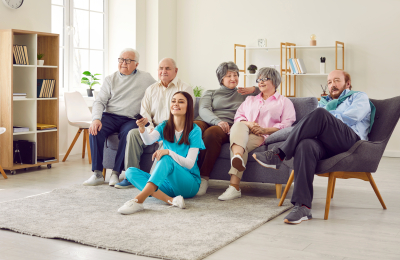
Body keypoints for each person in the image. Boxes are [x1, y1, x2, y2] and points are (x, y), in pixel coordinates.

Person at [253, 70, 375, 224]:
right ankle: (303, 206)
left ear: (348, 83)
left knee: (320, 114)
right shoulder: (324, 102)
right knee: (306, 145)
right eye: (329, 82)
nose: (332, 85)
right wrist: (324, 119)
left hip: (351, 141)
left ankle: (279, 154)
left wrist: (328, 117)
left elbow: (353, 117)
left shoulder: (358, 96)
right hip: (327, 143)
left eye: (337, 80)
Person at [118, 92, 205, 214]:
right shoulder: (165, 125)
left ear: (189, 107)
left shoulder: (195, 130)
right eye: (173, 101)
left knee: (166, 157)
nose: (176, 104)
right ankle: (170, 200)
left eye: (181, 101)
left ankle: (138, 201)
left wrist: (168, 152)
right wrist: (142, 129)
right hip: (168, 185)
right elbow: (148, 141)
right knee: (130, 172)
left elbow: (190, 164)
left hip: (188, 183)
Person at [115, 58, 195, 189]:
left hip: (172, 128)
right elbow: (145, 111)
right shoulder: (151, 89)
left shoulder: (184, 88)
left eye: (167, 68)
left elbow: (187, 113)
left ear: (175, 71)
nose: (163, 71)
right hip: (153, 127)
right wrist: (151, 128)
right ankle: (130, 176)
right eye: (161, 68)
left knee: (167, 141)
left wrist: (164, 130)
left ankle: (156, 180)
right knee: (133, 134)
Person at [219, 67, 296, 201]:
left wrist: (264, 130)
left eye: (264, 79)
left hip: (262, 135)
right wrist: (249, 124)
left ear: (275, 81)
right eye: (259, 79)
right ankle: (236, 157)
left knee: (241, 146)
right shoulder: (250, 99)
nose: (260, 82)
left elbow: (287, 124)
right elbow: (239, 117)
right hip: (243, 129)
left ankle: (234, 187)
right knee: (238, 125)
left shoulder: (284, 102)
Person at [83, 48, 156, 186]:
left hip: (131, 118)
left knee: (128, 134)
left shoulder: (146, 78)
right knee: (95, 130)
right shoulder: (110, 79)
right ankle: (97, 173)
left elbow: (158, 89)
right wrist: (96, 119)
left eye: (128, 60)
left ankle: (116, 173)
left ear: (136, 64)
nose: (123, 63)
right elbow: (99, 101)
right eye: (121, 59)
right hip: (110, 116)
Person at [194, 61, 260, 196]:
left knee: (211, 133)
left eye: (235, 75)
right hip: (208, 120)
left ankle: (203, 178)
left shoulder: (244, 93)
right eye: (228, 75)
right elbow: (204, 110)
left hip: (227, 127)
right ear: (221, 78)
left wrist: (253, 89)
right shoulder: (210, 93)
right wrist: (217, 121)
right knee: (193, 128)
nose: (233, 78)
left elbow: (268, 90)